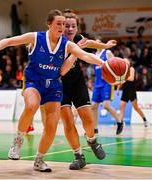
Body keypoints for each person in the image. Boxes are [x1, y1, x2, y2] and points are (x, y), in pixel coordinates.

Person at [0, 9, 105, 172]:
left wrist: (104, 64)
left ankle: (39, 160)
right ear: (49, 24)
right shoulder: (36, 37)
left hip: (54, 86)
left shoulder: (67, 44)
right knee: (31, 106)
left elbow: (86, 55)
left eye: (64, 24)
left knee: (52, 124)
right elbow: (9, 41)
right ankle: (18, 140)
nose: (62, 27)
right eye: (59, 23)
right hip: (34, 82)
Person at [59, 10, 117, 170]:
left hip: (77, 83)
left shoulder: (77, 39)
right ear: (61, 27)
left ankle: (92, 141)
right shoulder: (56, 42)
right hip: (59, 85)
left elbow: (90, 43)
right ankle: (78, 156)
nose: (70, 29)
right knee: (68, 123)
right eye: (67, 26)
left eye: (73, 26)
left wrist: (105, 46)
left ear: (77, 28)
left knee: (88, 119)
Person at [91, 39, 122, 135]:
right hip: (97, 84)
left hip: (107, 83)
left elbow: (116, 64)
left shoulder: (107, 52)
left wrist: (117, 80)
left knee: (106, 105)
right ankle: (95, 128)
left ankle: (119, 122)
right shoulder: (94, 55)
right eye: (96, 42)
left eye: (99, 42)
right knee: (93, 106)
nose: (98, 44)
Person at [117, 60, 148, 133]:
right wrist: (118, 89)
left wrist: (123, 77)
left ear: (129, 62)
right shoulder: (122, 71)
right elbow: (120, 81)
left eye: (126, 61)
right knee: (121, 106)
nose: (124, 62)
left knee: (136, 107)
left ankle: (144, 120)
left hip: (131, 90)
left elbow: (131, 78)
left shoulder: (131, 69)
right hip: (125, 90)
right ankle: (120, 124)